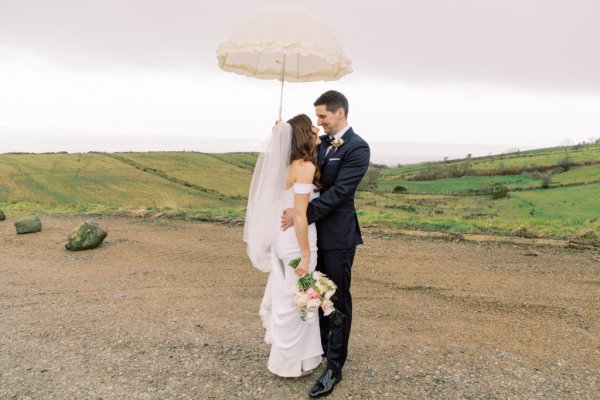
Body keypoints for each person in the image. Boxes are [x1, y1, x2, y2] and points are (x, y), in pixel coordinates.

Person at [281, 90, 370, 398]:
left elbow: (340, 192)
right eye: (316, 117)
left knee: (336, 298)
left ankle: (334, 367)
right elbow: (299, 164)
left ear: (340, 114)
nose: (318, 122)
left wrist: (301, 213)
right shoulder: (319, 144)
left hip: (337, 237)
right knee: (314, 293)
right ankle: (318, 346)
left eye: (323, 116)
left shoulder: (358, 148)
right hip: (311, 236)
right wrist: (284, 135)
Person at [243, 114, 324, 377]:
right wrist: (305, 254)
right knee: (298, 299)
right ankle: (291, 364)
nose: (316, 128)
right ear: (302, 134)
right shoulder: (305, 166)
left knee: (289, 296)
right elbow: (300, 215)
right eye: (312, 126)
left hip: (282, 238)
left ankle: (295, 360)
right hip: (297, 240)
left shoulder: (284, 165)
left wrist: (282, 133)